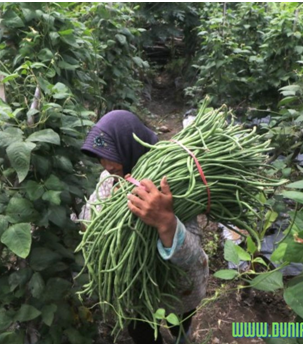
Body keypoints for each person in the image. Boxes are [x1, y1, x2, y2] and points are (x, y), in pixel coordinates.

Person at [79, 110, 209, 344]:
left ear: (131, 147)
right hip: (137, 288)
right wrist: (110, 207)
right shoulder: (109, 179)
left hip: (179, 289)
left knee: (179, 322)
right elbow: (88, 219)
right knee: (142, 332)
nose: (107, 164)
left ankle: (183, 337)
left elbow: (194, 256)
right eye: (100, 156)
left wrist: (166, 221)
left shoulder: (168, 185)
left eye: (112, 154)